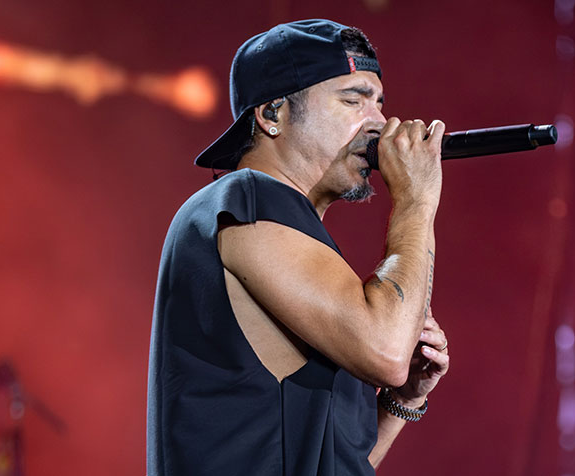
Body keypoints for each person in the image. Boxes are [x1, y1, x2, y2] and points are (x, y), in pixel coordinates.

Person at [146, 19, 450, 476]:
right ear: (273, 114)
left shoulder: (293, 236)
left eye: (379, 103)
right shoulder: (246, 201)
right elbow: (387, 354)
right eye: (353, 100)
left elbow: (336, 461)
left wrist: (403, 401)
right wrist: (416, 201)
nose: (380, 124)